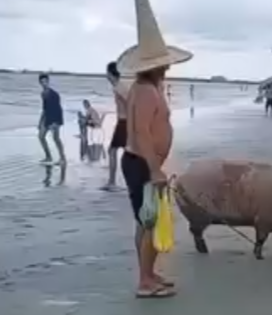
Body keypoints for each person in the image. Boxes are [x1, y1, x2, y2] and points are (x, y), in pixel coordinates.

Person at [117, 0, 192, 298]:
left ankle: (148, 273)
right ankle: (145, 283)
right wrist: (155, 168)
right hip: (141, 164)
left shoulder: (147, 88)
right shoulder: (146, 91)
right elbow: (141, 133)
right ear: (154, 66)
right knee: (148, 223)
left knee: (144, 221)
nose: (169, 65)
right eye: (164, 62)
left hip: (139, 162)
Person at [102, 62, 129, 191]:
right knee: (126, 153)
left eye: (107, 73)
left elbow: (130, 102)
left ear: (111, 74)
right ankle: (114, 182)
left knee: (112, 151)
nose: (106, 75)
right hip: (124, 122)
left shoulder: (119, 87)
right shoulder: (118, 86)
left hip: (124, 123)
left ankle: (112, 182)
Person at [38, 73, 66, 165]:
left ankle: (63, 158)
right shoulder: (43, 94)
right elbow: (44, 109)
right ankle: (48, 156)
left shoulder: (54, 94)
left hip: (56, 117)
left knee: (56, 138)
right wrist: (40, 121)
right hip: (47, 117)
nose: (44, 84)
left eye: (45, 82)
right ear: (40, 83)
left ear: (48, 82)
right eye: (42, 82)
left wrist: (55, 123)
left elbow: (58, 108)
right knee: (41, 136)